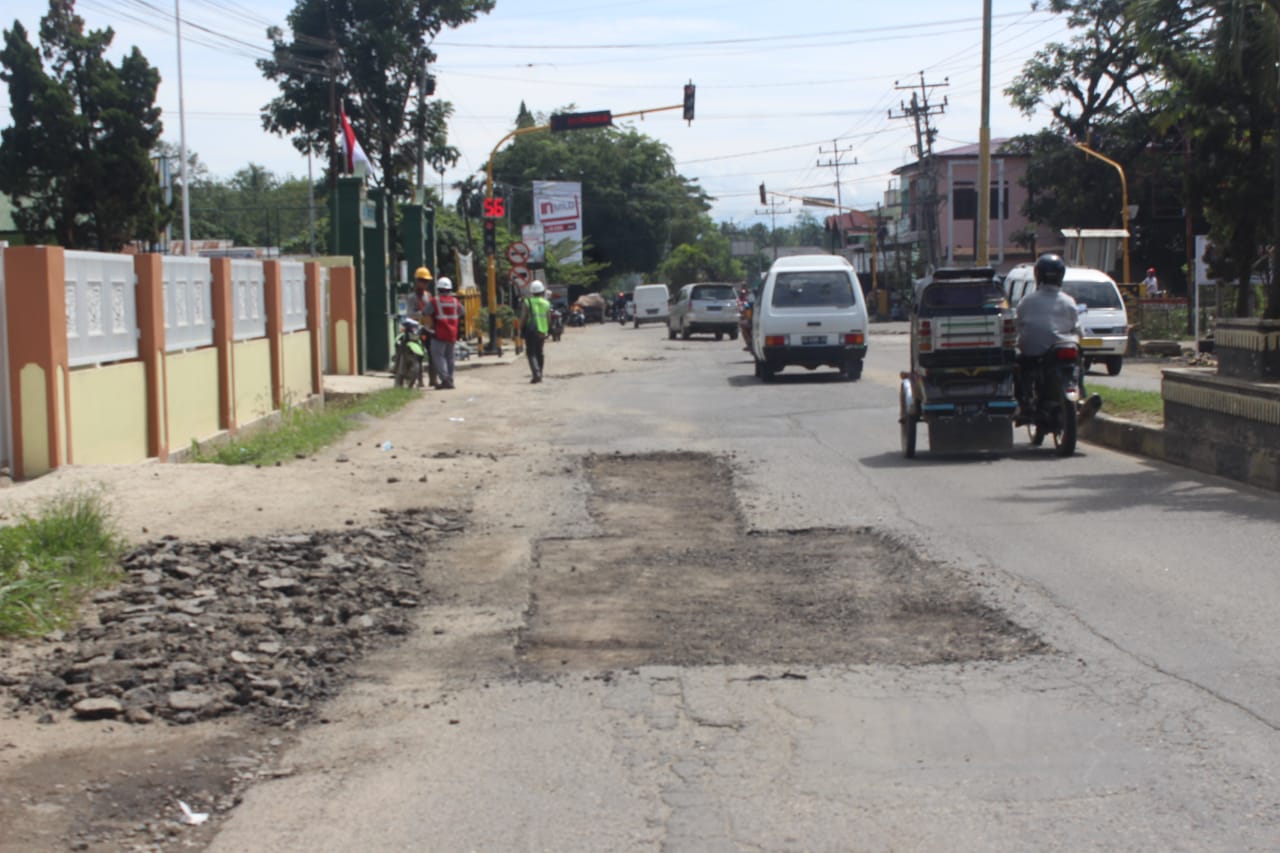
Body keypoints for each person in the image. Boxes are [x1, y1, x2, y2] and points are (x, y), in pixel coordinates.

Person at [1015, 253, 1101, 420]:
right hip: (1066, 347)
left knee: (1019, 368)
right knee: (1078, 364)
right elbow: (1078, 329)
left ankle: (1025, 404)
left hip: (1035, 353)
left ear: (1038, 275)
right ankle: (1081, 394)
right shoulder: (1068, 301)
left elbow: (1019, 324)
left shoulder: (1027, 301)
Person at [425, 276, 464, 390]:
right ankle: (450, 379)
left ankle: (445, 379)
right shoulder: (455, 301)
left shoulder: (435, 301)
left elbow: (425, 312)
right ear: (450, 289)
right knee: (450, 357)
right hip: (452, 333)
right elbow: (462, 312)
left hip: (439, 333)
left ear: (438, 289)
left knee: (438, 356)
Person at [520, 280, 552, 383]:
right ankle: (540, 374)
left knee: (531, 353)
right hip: (542, 331)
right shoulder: (546, 303)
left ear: (532, 292)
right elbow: (548, 319)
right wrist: (549, 329)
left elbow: (523, 317)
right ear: (542, 291)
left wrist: (520, 328)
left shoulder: (528, 302)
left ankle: (536, 374)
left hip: (531, 330)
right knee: (540, 352)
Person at [411, 267, 438, 388]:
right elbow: (410, 313)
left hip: (428, 328)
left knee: (433, 353)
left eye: (426, 281)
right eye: (421, 280)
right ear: (416, 281)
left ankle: (433, 379)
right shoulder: (412, 297)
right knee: (418, 355)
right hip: (416, 328)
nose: (424, 283)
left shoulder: (429, 296)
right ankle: (419, 379)